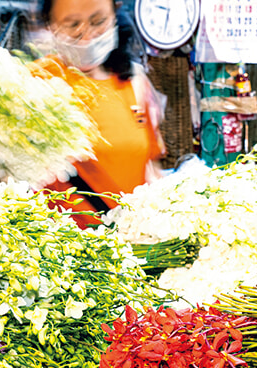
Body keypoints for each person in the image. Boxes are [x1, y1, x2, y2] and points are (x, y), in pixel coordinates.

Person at [34, 0, 165, 227]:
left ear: (115, 12)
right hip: (65, 251)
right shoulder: (35, 84)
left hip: (130, 247)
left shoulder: (133, 81)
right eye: (73, 24)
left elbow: (150, 169)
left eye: (98, 22)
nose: (87, 37)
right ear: (50, 24)